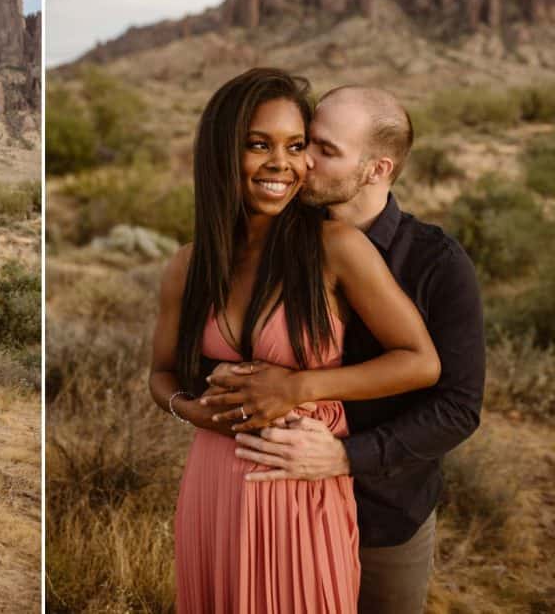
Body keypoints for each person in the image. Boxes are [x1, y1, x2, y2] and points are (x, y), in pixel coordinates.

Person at [149, 68, 441, 613]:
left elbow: (420, 362)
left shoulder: (336, 247)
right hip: (214, 484)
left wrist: (298, 386)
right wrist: (193, 412)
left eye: (295, 145)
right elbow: (160, 373)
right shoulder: (189, 265)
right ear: (220, 153)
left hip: (299, 483)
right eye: (258, 145)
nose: (280, 163)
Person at [213, 86, 484, 614]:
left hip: (383, 516)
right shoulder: (269, 242)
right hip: (275, 504)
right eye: (304, 141)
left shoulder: (437, 264)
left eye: (326, 150)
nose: (303, 160)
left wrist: (343, 457)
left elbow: (458, 407)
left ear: (377, 168)